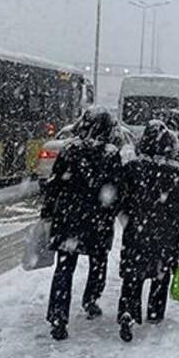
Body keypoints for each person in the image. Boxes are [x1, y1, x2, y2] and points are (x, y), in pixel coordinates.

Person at [41, 108, 123, 341]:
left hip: (68, 218)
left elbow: (54, 184)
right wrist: (110, 210)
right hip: (97, 219)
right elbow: (116, 189)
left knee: (64, 267)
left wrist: (48, 211)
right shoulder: (110, 154)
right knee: (98, 261)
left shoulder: (69, 150)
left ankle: (58, 315)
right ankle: (91, 299)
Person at [116, 121, 179, 342]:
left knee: (132, 276)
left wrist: (128, 217)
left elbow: (120, 199)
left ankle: (128, 311)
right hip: (166, 234)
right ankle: (154, 312)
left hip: (136, 230)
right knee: (160, 274)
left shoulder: (132, 168)